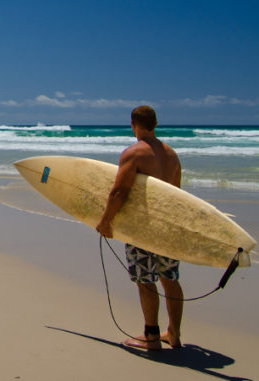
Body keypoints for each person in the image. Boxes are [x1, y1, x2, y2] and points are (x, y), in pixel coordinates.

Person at [95, 105, 183, 351]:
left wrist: (105, 220)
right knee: (170, 279)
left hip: (143, 229)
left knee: (145, 281)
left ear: (134, 124)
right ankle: (174, 334)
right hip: (168, 227)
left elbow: (120, 191)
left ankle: (151, 336)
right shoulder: (172, 155)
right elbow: (178, 197)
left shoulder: (133, 153)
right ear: (155, 124)